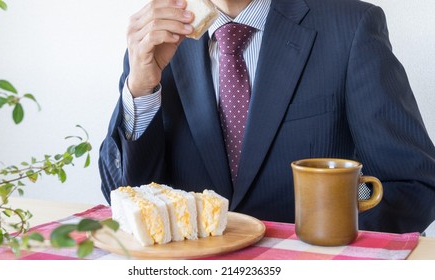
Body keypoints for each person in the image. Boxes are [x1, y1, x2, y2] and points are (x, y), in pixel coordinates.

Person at [98, 0, 435, 234]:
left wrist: (330, 235)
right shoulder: (156, 40)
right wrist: (141, 86)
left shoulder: (351, 28)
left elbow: (413, 187)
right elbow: (123, 196)